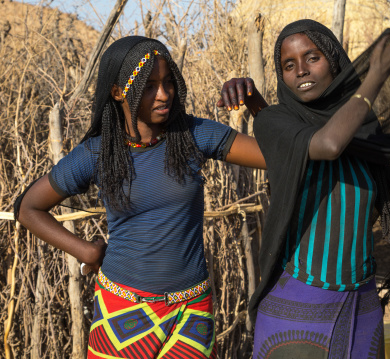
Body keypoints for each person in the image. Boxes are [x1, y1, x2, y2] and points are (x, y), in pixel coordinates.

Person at [218, 20, 390, 358]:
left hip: (362, 307)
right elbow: (329, 144)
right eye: (289, 65)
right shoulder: (276, 123)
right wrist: (375, 75)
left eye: (312, 58)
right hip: (298, 312)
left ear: (335, 60)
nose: (301, 71)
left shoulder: (365, 135)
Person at [15, 36, 265, 359]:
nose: (163, 95)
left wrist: (254, 101)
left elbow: (280, 156)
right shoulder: (98, 153)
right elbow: (27, 208)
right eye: (149, 86)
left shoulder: (192, 135)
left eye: (168, 82)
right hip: (121, 314)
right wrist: (87, 251)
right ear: (118, 92)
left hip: (191, 316)